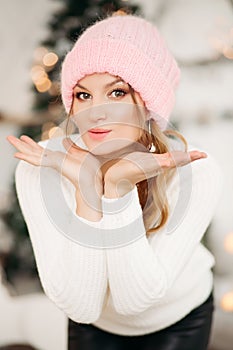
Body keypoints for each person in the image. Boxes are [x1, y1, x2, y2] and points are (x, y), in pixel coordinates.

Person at [7, 11, 222, 350]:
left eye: (117, 92)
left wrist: (117, 190)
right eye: (83, 95)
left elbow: (136, 300)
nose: (96, 112)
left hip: (178, 317)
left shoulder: (194, 171)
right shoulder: (42, 165)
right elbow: (80, 307)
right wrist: (88, 188)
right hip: (95, 324)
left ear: (149, 103)